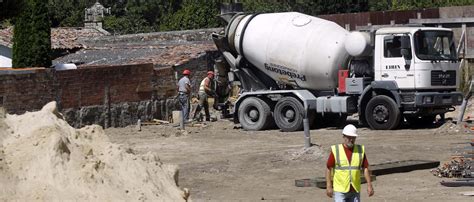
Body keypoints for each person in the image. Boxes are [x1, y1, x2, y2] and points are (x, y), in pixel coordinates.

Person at [326, 124, 374, 202]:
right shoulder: (336, 150)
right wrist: (329, 186)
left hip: (355, 189)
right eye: (349, 137)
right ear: (344, 136)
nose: (351, 140)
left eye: (353, 138)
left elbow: (365, 168)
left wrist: (369, 185)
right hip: (340, 190)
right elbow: (328, 168)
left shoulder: (360, 150)